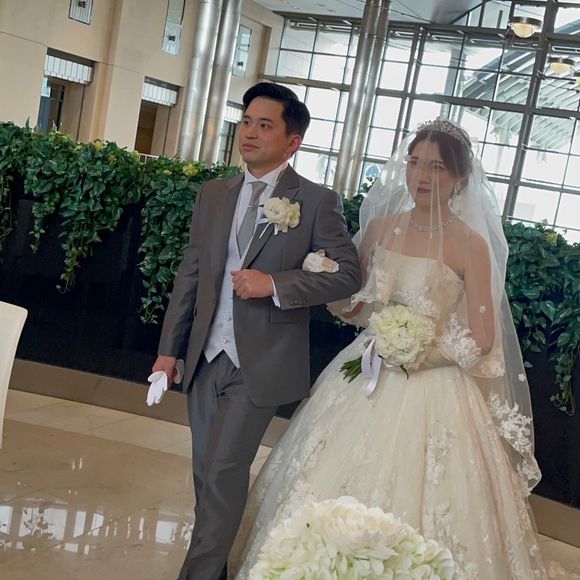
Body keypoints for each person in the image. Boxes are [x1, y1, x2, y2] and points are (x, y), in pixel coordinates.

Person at [229, 119, 548, 579]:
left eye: (436, 167)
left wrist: (416, 353)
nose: (421, 176)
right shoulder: (381, 228)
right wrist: (326, 277)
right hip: (364, 369)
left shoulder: (471, 244)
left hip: (434, 384)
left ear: (460, 177)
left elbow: (482, 337)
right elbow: (356, 305)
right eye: (414, 163)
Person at [152, 82, 362, 580]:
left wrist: (275, 284)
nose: (249, 132)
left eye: (264, 125)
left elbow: (348, 275)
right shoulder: (213, 194)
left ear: (292, 142)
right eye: (246, 121)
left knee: (224, 470)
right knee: (206, 473)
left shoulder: (316, 202)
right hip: (205, 356)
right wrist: (168, 351)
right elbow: (191, 275)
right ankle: (217, 570)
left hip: (261, 362)